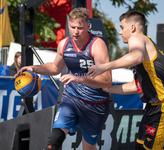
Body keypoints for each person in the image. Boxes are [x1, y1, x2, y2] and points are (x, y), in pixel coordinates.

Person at [88, 10, 164, 150]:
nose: (120, 32)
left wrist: (104, 67)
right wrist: (108, 89)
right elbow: (137, 87)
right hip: (155, 107)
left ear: (132, 27)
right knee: (140, 147)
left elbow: (136, 57)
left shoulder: (137, 39)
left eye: (122, 27)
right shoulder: (146, 47)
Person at [14, 7, 112, 150]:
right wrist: (34, 68)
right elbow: (55, 68)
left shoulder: (97, 45)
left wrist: (81, 79)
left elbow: (107, 81)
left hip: (95, 104)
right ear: (68, 25)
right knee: (54, 138)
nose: (76, 31)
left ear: (88, 26)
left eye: (80, 27)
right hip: (71, 98)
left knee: (89, 148)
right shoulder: (64, 44)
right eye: (72, 27)